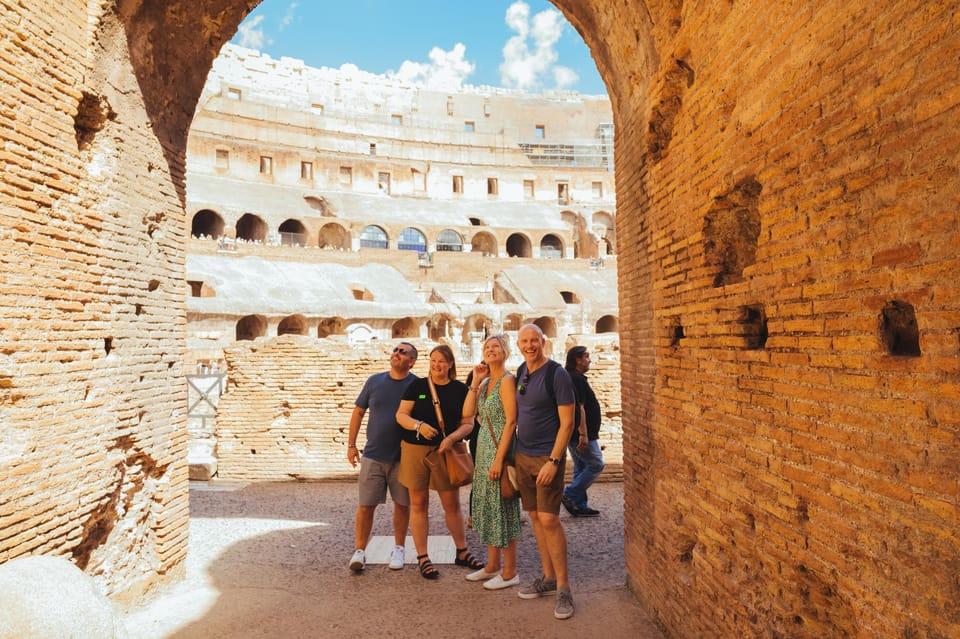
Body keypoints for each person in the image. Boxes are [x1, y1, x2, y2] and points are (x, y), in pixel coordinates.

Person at [395, 345, 484, 580]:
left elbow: (468, 422)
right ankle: (423, 557)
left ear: (450, 364)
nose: (437, 365)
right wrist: (419, 426)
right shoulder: (418, 386)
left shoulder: (460, 389)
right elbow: (401, 415)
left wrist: (453, 438)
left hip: (446, 451)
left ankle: (462, 551)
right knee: (419, 503)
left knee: (452, 504)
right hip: (415, 450)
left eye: (442, 361)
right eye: (433, 360)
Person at [512, 324, 577, 620]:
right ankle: (548, 578)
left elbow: (567, 423)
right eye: (525, 341)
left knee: (550, 519)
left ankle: (564, 588)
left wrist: (554, 461)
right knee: (536, 516)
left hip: (547, 457)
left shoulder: (557, 374)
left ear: (543, 342)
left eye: (534, 341)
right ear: (518, 343)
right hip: (523, 454)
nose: (530, 345)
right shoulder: (521, 372)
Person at [347, 342, 418, 573]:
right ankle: (359, 550)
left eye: (403, 352)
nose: (396, 353)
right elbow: (358, 411)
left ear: (411, 361)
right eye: (396, 350)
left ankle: (398, 548)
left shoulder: (417, 385)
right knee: (365, 506)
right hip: (373, 454)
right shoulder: (374, 381)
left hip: (403, 457)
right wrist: (351, 444)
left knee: (402, 504)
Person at [460, 335, 522, 590]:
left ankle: (510, 572)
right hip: (484, 446)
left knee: (503, 508)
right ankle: (492, 565)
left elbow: (511, 421)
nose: (491, 350)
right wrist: (474, 382)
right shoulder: (485, 382)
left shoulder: (508, 380)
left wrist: (499, 460)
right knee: (487, 506)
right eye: (487, 347)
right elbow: (467, 413)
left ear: (505, 351)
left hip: (499, 448)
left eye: (495, 346)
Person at [562, 346, 605, 517]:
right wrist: (584, 434)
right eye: (586, 356)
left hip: (577, 433)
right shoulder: (575, 379)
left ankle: (579, 505)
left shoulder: (575, 378)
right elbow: (579, 408)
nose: (589, 359)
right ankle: (569, 494)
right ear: (577, 359)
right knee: (596, 464)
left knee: (581, 467)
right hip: (580, 434)